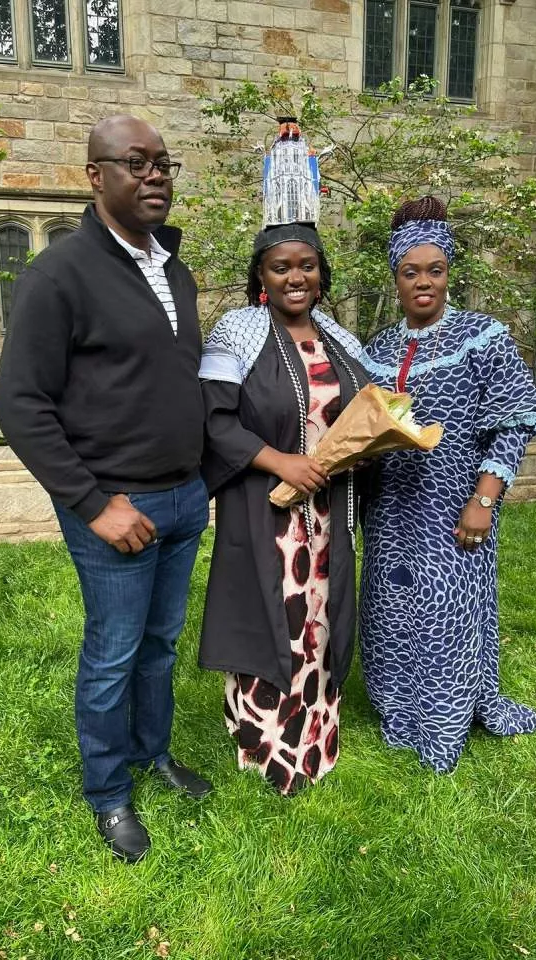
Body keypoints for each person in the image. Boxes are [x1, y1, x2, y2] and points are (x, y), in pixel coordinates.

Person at [0, 114, 212, 864]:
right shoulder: (59, 274)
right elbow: (20, 402)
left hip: (185, 498)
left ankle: (154, 756)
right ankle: (109, 795)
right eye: (135, 162)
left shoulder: (173, 270)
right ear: (96, 175)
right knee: (114, 652)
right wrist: (93, 505)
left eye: (164, 163)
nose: (155, 175)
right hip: (116, 506)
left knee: (159, 646)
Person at [359, 196, 536, 774]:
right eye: (410, 272)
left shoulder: (481, 336)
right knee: (390, 609)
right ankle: (398, 712)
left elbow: (516, 422)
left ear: (449, 273)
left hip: (454, 506)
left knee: (447, 611)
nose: (424, 283)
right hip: (392, 508)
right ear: (395, 278)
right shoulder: (381, 347)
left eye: (434, 270)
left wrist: (484, 500)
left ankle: (442, 724)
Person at [198, 223, 370, 795]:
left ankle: (316, 736)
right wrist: (281, 461)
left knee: (320, 620)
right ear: (261, 278)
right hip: (263, 511)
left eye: (307, 266)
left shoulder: (341, 339)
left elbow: (366, 416)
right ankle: (266, 746)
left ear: (321, 275)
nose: (296, 277)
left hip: (327, 513)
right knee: (272, 616)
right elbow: (216, 419)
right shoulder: (238, 331)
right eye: (281, 267)